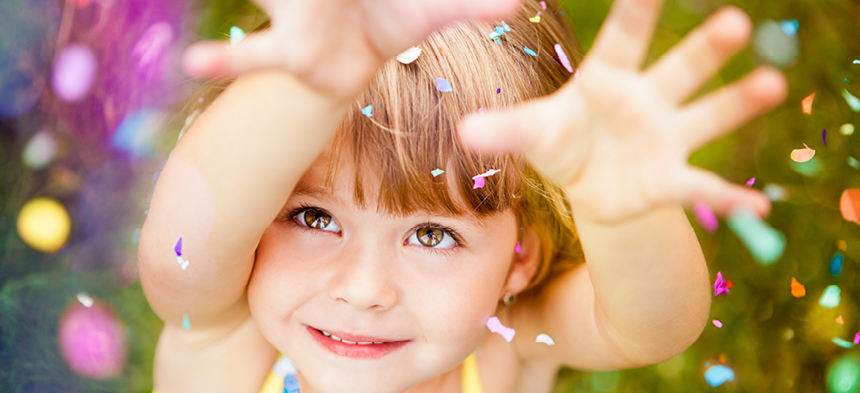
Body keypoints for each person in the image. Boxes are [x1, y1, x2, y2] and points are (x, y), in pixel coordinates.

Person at [137, 0, 787, 391]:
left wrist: (620, 208)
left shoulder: (509, 343)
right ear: (256, 219)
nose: (364, 290)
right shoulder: (228, 344)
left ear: (520, 256)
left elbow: (651, 327)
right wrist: (307, 92)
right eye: (313, 216)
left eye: (432, 234)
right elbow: (179, 260)